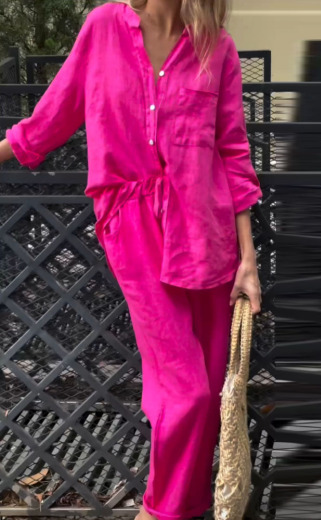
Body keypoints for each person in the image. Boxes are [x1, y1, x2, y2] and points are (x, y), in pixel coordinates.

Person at [0, 0, 263, 518]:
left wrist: (248, 258)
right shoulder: (104, 28)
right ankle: (159, 510)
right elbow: (52, 116)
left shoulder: (218, 50)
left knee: (208, 388)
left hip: (208, 232)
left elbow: (232, 150)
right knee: (186, 390)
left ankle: (179, 508)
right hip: (132, 222)